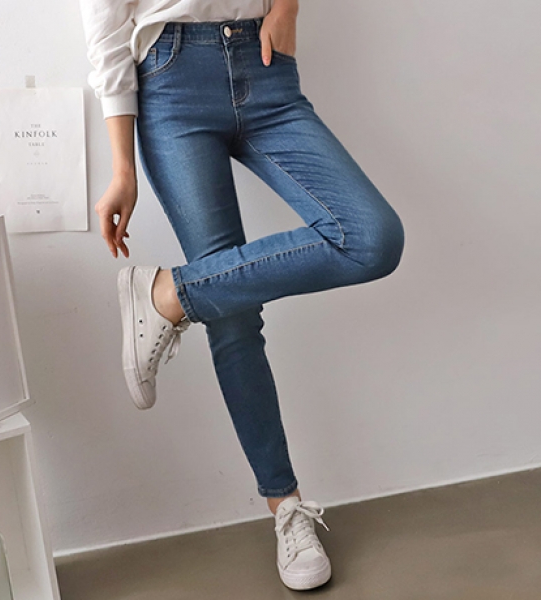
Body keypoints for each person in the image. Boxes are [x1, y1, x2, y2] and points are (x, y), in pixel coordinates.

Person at [79, 0, 404, 591]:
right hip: (171, 80)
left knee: (372, 238)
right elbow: (106, 29)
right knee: (232, 313)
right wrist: (122, 168)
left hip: (265, 65)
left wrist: (288, 7)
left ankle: (169, 295)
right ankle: (286, 508)